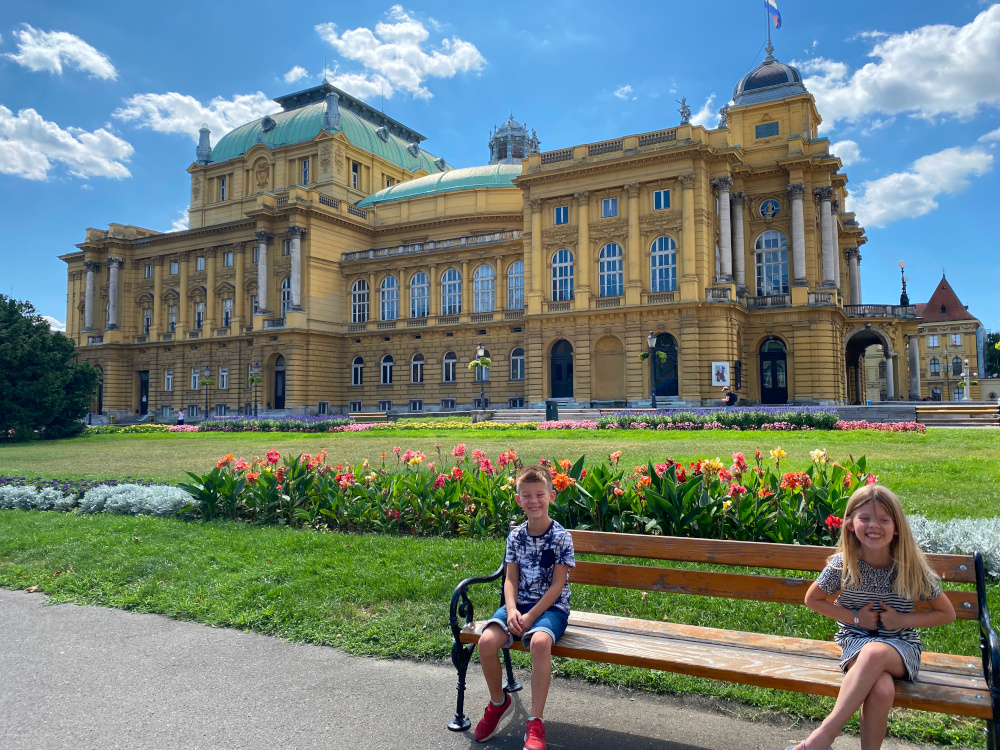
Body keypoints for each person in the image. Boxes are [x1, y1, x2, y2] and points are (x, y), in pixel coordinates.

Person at [787, 485, 956, 750]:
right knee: (882, 690)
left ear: (897, 527)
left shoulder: (910, 566)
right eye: (865, 517)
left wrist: (902, 621)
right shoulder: (843, 564)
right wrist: (855, 619)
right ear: (851, 524)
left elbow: (947, 613)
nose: (874, 525)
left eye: (884, 520)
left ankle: (822, 739)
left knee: (875, 654)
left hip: (901, 645)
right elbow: (812, 599)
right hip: (855, 639)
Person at [473, 464, 575, 750]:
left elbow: (557, 586)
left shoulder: (561, 537)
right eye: (526, 495)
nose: (533, 501)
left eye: (539, 494)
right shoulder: (515, 536)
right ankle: (498, 702)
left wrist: (530, 617)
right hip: (517, 606)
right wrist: (513, 609)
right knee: (486, 642)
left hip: (552, 608)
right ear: (518, 499)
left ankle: (536, 722)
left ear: (552, 497)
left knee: (540, 644)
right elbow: (510, 579)